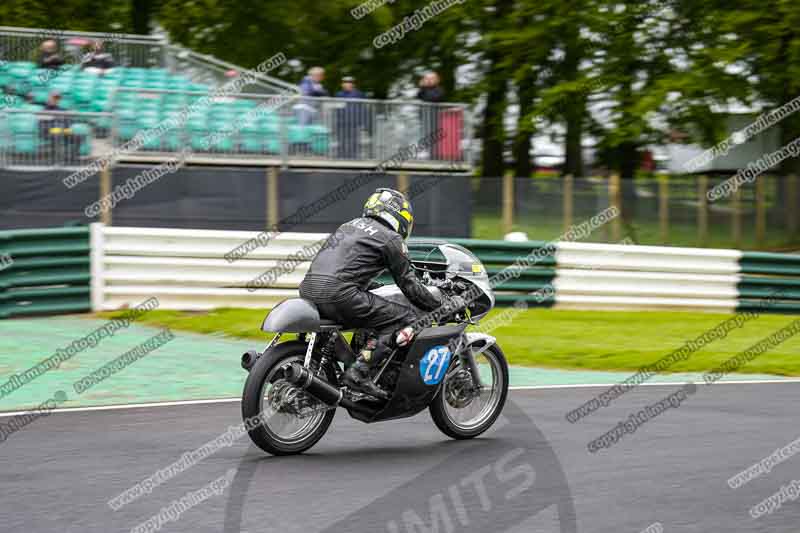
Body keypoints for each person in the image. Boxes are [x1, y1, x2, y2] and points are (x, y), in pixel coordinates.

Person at [299, 188, 460, 399]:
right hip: (340, 295)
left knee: (371, 311)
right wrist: (440, 306)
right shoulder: (391, 239)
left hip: (308, 290)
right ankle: (359, 371)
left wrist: (371, 286)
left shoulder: (348, 226)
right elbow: (410, 286)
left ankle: (346, 363)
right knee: (405, 318)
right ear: (400, 217)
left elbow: (344, 268)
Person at [335, 76, 368, 158]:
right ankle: (341, 156)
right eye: (345, 83)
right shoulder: (339, 94)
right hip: (342, 122)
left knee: (354, 140)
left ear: (353, 84)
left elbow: (363, 108)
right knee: (341, 140)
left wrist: (362, 121)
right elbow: (336, 108)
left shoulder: (359, 94)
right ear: (342, 84)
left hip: (354, 122)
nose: (347, 84)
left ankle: (354, 156)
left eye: (349, 82)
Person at [417, 72, 445, 158]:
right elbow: (419, 96)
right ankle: (426, 153)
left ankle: (435, 155)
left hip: (436, 118)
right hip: (425, 118)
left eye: (431, 79)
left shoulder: (439, 90)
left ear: (437, 80)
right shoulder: (423, 90)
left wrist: (424, 88)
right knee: (425, 136)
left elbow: (432, 98)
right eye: (427, 79)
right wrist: (422, 87)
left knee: (435, 137)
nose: (429, 81)